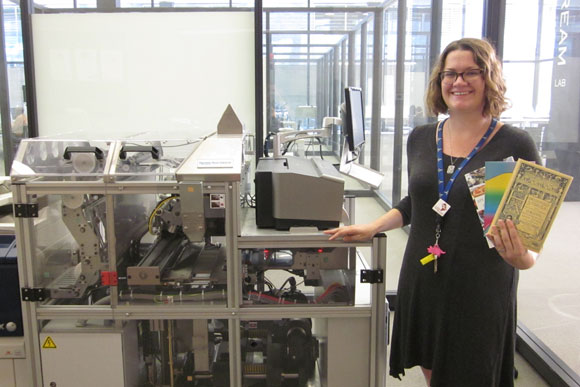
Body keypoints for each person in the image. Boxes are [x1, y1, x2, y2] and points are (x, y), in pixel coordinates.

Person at [325, 38, 541, 387]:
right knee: (433, 371)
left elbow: (531, 227)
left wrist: (525, 259)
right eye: (450, 73)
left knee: (472, 373)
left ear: (489, 78)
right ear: (439, 82)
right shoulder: (422, 138)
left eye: (472, 72)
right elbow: (417, 202)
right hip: (425, 272)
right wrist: (371, 228)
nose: (459, 81)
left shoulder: (513, 144)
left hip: (479, 284)